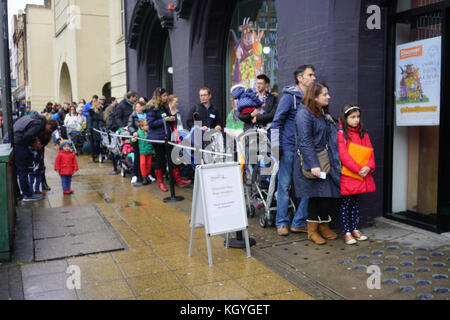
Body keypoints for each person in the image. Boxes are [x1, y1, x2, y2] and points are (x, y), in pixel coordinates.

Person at [293, 82, 341, 245]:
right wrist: (313, 164)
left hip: (325, 161)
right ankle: (312, 231)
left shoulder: (321, 112)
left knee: (327, 196)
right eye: (325, 94)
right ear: (314, 96)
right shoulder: (304, 114)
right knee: (315, 197)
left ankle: (324, 226)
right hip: (313, 161)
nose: (329, 97)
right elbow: (305, 141)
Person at [271, 65, 316, 236]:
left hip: (306, 150)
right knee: (284, 185)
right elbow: (276, 122)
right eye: (310, 75)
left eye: (313, 75)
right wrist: (276, 148)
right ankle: (281, 222)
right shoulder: (289, 97)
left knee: (310, 185)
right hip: (288, 148)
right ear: (300, 78)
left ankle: (298, 221)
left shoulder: (312, 98)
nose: (313, 78)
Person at [337, 104, 375, 244]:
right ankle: (346, 232)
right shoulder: (341, 133)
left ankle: (354, 229)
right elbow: (343, 155)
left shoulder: (363, 133)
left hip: (361, 175)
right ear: (345, 118)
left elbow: (370, 151)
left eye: (358, 117)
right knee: (345, 204)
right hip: (348, 175)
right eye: (352, 117)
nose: (356, 120)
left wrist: (369, 166)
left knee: (355, 203)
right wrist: (358, 168)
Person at [3, 113, 57, 201]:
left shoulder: (31, 118)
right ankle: (27, 194)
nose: (48, 132)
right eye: (50, 130)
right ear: (48, 125)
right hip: (18, 142)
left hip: (10, 139)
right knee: (22, 169)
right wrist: (32, 143)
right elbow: (27, 136)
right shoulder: (40, 124)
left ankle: (17, 194)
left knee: (14, 170)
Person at [146, 88, 172, 192]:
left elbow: (166, 119)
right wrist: (164, 120)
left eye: (166, 95)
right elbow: (151, 123)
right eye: (164, 96)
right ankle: (160, 182)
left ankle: (176, 178)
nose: (166, 97)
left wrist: (171, 118)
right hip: (157, 138)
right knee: (159, 160)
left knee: (171, 157)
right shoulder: (152, 108)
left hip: (166, 136)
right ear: (159, 97)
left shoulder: (164, 107)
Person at [167, 95, 192, 187]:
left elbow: (180, 125)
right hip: (169, 138)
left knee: (177, 158)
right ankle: (175, 179)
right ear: (170, 102)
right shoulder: (166, 112)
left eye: (177, 102)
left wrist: (182, 136)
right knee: (171, 158)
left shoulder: (177, 112)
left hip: (177, 137)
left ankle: (178, 179)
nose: (177, 104)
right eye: (175, 102)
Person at [128, 101, 146, 184]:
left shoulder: (146, 114)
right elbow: (130, 126)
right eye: (137, 107)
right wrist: (133, 132)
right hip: (137, 139)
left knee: (147, 157)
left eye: (140, 106)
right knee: (137, 157)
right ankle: (135, 175)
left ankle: (146, 174)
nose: (139, 108)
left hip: (146, 139)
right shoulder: (133, 115)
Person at [133, 119, 155, 185]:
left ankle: (147, 175)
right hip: (142, 152)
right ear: (141, 127)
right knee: (142, 164)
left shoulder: (150, 132)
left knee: (149, 164)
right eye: (146, 125)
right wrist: (133, 139)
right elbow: (132, 140)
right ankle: (144, 176)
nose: (148, 126)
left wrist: (153, 151)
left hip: (149, 151)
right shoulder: (138, 133)